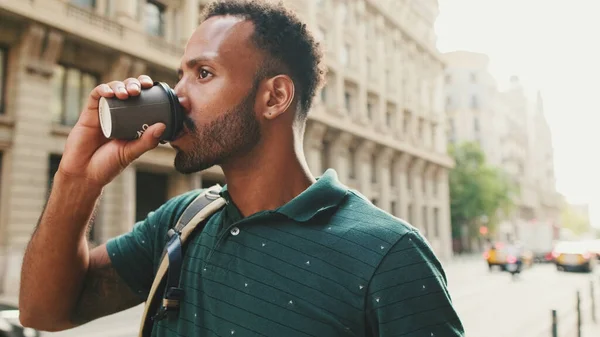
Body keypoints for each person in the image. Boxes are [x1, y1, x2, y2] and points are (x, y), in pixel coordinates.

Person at [18, 1, 465, 336]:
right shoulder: (181, 222)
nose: (177, 96)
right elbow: (43, 312)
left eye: (204, 74)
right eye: (181, 76)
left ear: (274, 97)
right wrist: (78, 179)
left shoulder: (390, 255)